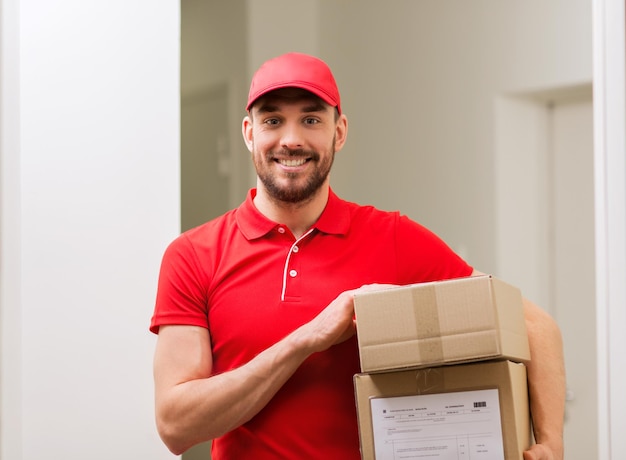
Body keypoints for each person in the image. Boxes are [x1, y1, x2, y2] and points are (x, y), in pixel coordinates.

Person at [150, 52, 565, 460]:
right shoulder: (193, 255)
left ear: (340, 131)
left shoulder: (394, 238)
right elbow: (176, 426)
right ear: (249, 133)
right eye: (273, 120)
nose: (291, 139)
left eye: (311, 120)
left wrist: (550, 444)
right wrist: (306, 339)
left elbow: (532, 324)